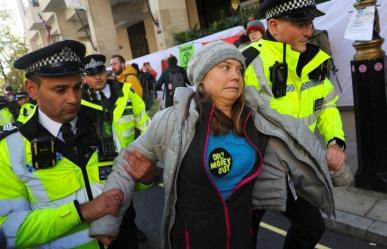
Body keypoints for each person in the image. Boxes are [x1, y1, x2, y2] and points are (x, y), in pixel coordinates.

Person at [89, 41, 335, 249]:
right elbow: (125, 164)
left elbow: (300, 145)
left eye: (239, 69)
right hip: (191, 240)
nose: (235, 76)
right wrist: (108, 221)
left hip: (242, 239)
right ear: (202, 79)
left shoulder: (257, 119)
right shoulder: (173, 121)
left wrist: (337, 156)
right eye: (225, 67)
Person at [0, 40, 131, 248]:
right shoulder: (9, 148)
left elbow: (126, 178)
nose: (73, 99)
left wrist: (146, 178)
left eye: (77, 87)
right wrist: (81, 212)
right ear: (32, 90)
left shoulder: (101, 120)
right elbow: (8, 230)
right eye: (60, 90)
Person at [242, 1, 348, 248]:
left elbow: (326, 106)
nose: (309, 32)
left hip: (297, 168)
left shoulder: (317, 60)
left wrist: (335, 142)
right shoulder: (248, 60)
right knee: (244, 236)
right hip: (254, 170)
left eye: (310, 23)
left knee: (312, 227)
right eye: (301, 24)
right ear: (274, 26)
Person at [82, 54, 151, 248]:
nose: (97, 78)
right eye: (91, 74)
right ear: (84, 77)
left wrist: (149, 151)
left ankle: (130, 232)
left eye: (101, 72)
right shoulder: (78, 101)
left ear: (106, 72)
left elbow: (145, 124)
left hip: (126, 163)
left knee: (127, 209)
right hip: (97, 169)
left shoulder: (126, 92)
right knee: (105, 212)